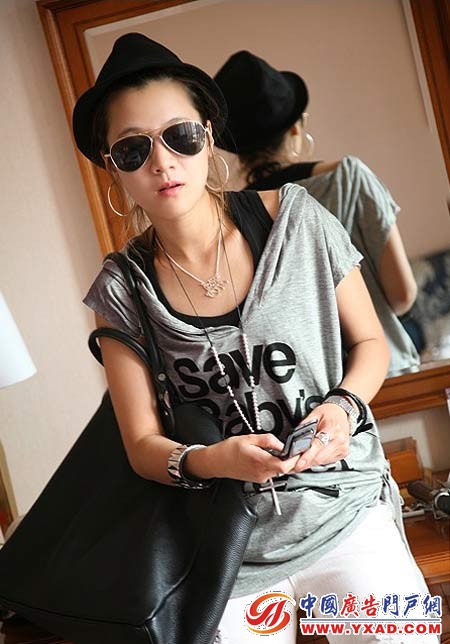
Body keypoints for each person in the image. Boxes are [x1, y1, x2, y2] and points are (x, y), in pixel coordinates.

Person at [74, 33, 437, 643]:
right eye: (134, 149)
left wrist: (342, 408)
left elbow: (371, 343)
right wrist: (215, 460)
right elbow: (141, 444)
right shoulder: (122, 287)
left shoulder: (297, 219)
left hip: (344, 513)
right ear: (113, 166)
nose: (162, 162)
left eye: (179, 136)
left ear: (207, 135)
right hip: (226, 548)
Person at [214, 50, 421, 378]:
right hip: (381, 373)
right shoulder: (348, 179)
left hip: (301, 388)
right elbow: (402, 294)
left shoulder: (230, 213)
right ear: (297, 128)